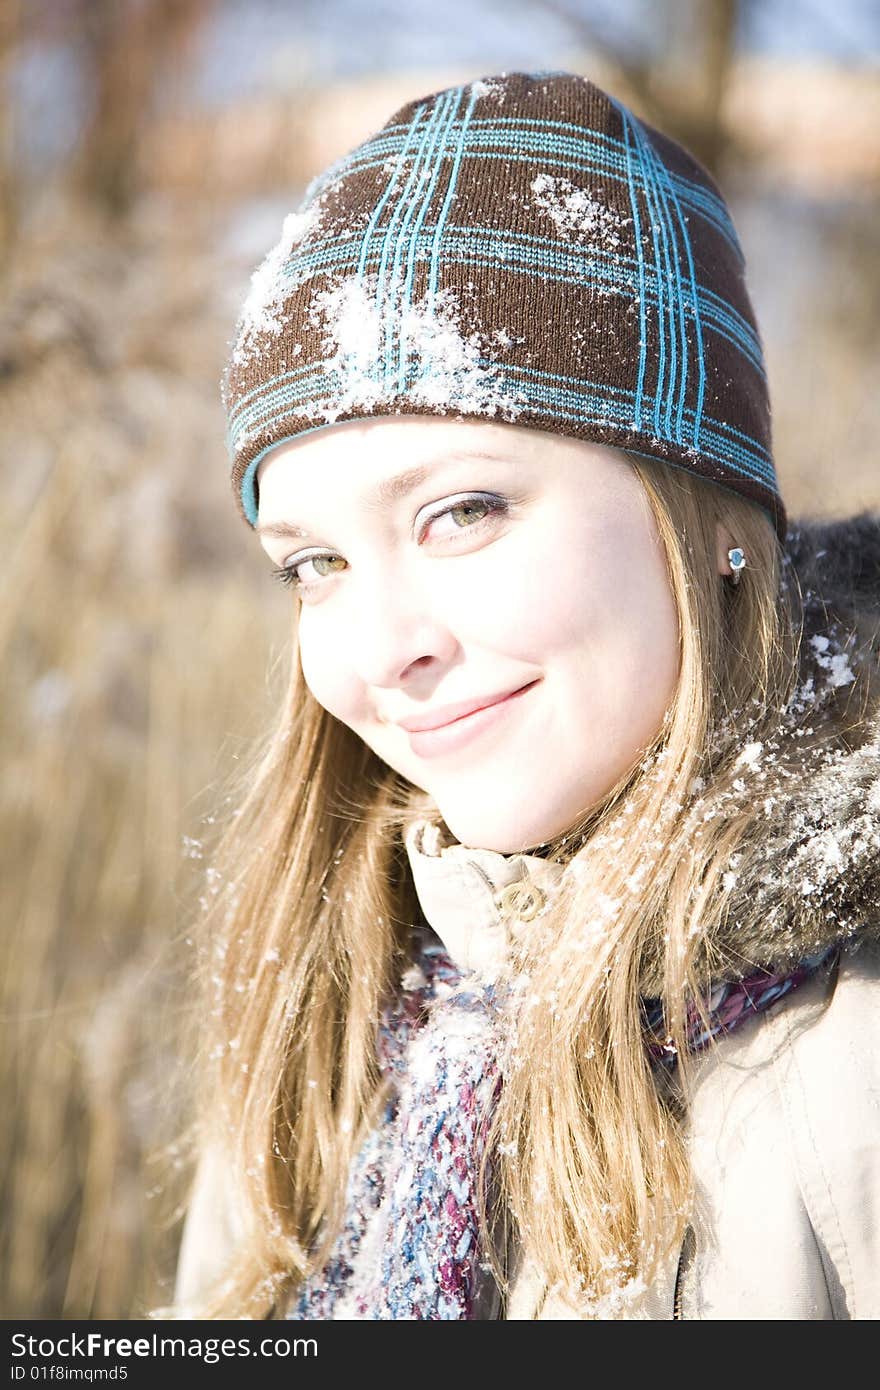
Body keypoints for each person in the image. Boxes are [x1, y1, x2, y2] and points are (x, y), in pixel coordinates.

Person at [165, 71, 880, 1320]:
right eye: (315, 564)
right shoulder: (331, 1004)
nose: (381, 650)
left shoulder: (845, 1068)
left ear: (706, 515)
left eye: (462, 512)